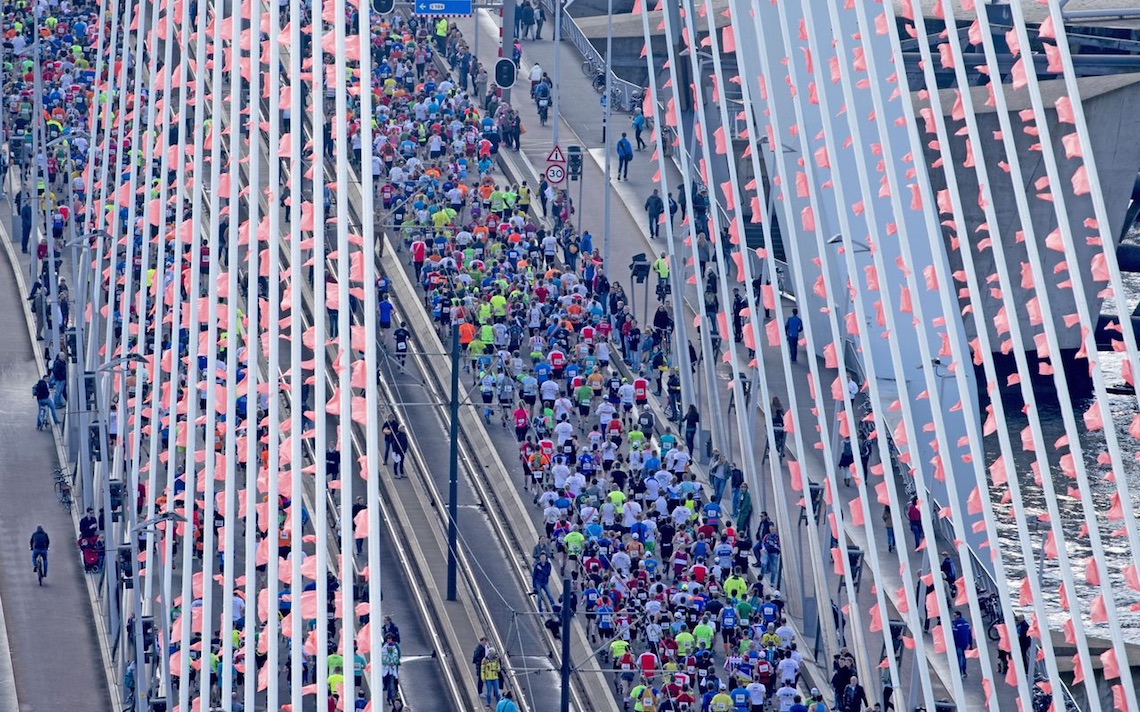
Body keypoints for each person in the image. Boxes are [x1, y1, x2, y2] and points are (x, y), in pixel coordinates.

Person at [380, 634, 401, 703]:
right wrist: (386, 662)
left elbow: (397, 656)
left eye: (390, 638)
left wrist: (395, 662)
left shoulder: (395, 647)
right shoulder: (384, 647)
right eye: (388, 639)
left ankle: (390, 698)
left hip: (392, 669)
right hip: (385, 669)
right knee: (385, 682)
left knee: (391, 683)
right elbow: (382, 657)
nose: (389, 640)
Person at [951, 611, 973, 677]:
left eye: (955, 616)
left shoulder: (955, 624)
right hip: (965, 642)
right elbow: (969, 634)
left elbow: (954, 634)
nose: (954, 617)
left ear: (958, 616)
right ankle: (964, 672)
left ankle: (959, 673)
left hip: (958, 643)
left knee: (959, 658)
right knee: (963, 657)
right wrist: (970, 643)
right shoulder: (966, 623)